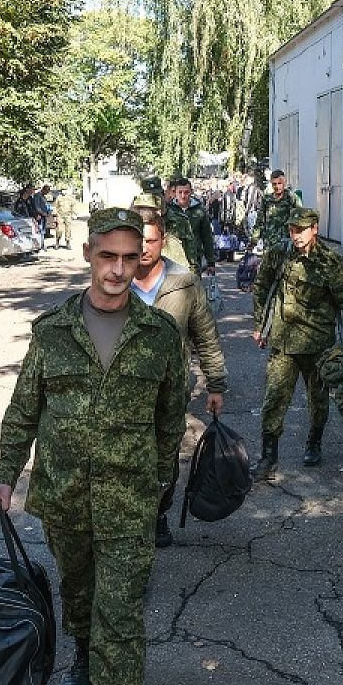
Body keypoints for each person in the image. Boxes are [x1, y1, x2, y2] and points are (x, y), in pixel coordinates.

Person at [0, 207, 187, 685]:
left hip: (128, 501)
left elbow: (171, 417)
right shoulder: (52, 331)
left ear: (142, 258)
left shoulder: (159, 334)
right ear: (87, 256)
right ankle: (83, 656)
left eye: (129, 258)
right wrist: (4, 476)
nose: (118, 269)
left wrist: (158, 481)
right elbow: (24, 409)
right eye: (107, 257)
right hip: (64, 495)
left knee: (119, 610)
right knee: (78, 593)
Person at [131, 208, 227, 547]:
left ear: (164, 240)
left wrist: (215, 384)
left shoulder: (184, 283)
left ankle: (158, 513)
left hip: (170, 393)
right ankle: (129, 520)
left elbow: (206, 336)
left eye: (151, 240)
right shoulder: (114, 278)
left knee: (165, 458)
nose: (143, 248)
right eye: (137, 240)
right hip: (120, 394)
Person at [250, 208, 343, 479]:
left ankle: (314, 442)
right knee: (274, 398)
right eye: (292, 230)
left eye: (301, 230)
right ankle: (268, 457)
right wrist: (260, 325)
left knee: (319, 400)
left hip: (318, 345)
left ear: (314, 228)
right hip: (283, 342)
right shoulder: (279, 255)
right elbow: (261, 286)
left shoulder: (330, 262)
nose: (296, 236)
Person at [167, 177, 216, 275]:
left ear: (191, 192)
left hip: (193, 261)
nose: (183, 196)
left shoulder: (200, 211)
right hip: (173, 261)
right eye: (180, 192)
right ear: (175, 192)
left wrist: (210, 262)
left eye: (186, 192)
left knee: (193, 289)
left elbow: (207, 237)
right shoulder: (169, 211)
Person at [130, 193, 188, 268]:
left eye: (151, 210)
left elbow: (183, 275)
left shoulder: (173, 246)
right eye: (140, 210)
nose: (144, 250)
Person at [252, 170, 302, 250]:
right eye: (274, 184)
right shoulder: (267, 199)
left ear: (284, 182)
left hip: (286, 242)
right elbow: (260, 221)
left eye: (280, 183)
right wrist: (254, 240)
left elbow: (299, 220)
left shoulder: (292, 198)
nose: (277, 186)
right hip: (269, 242)